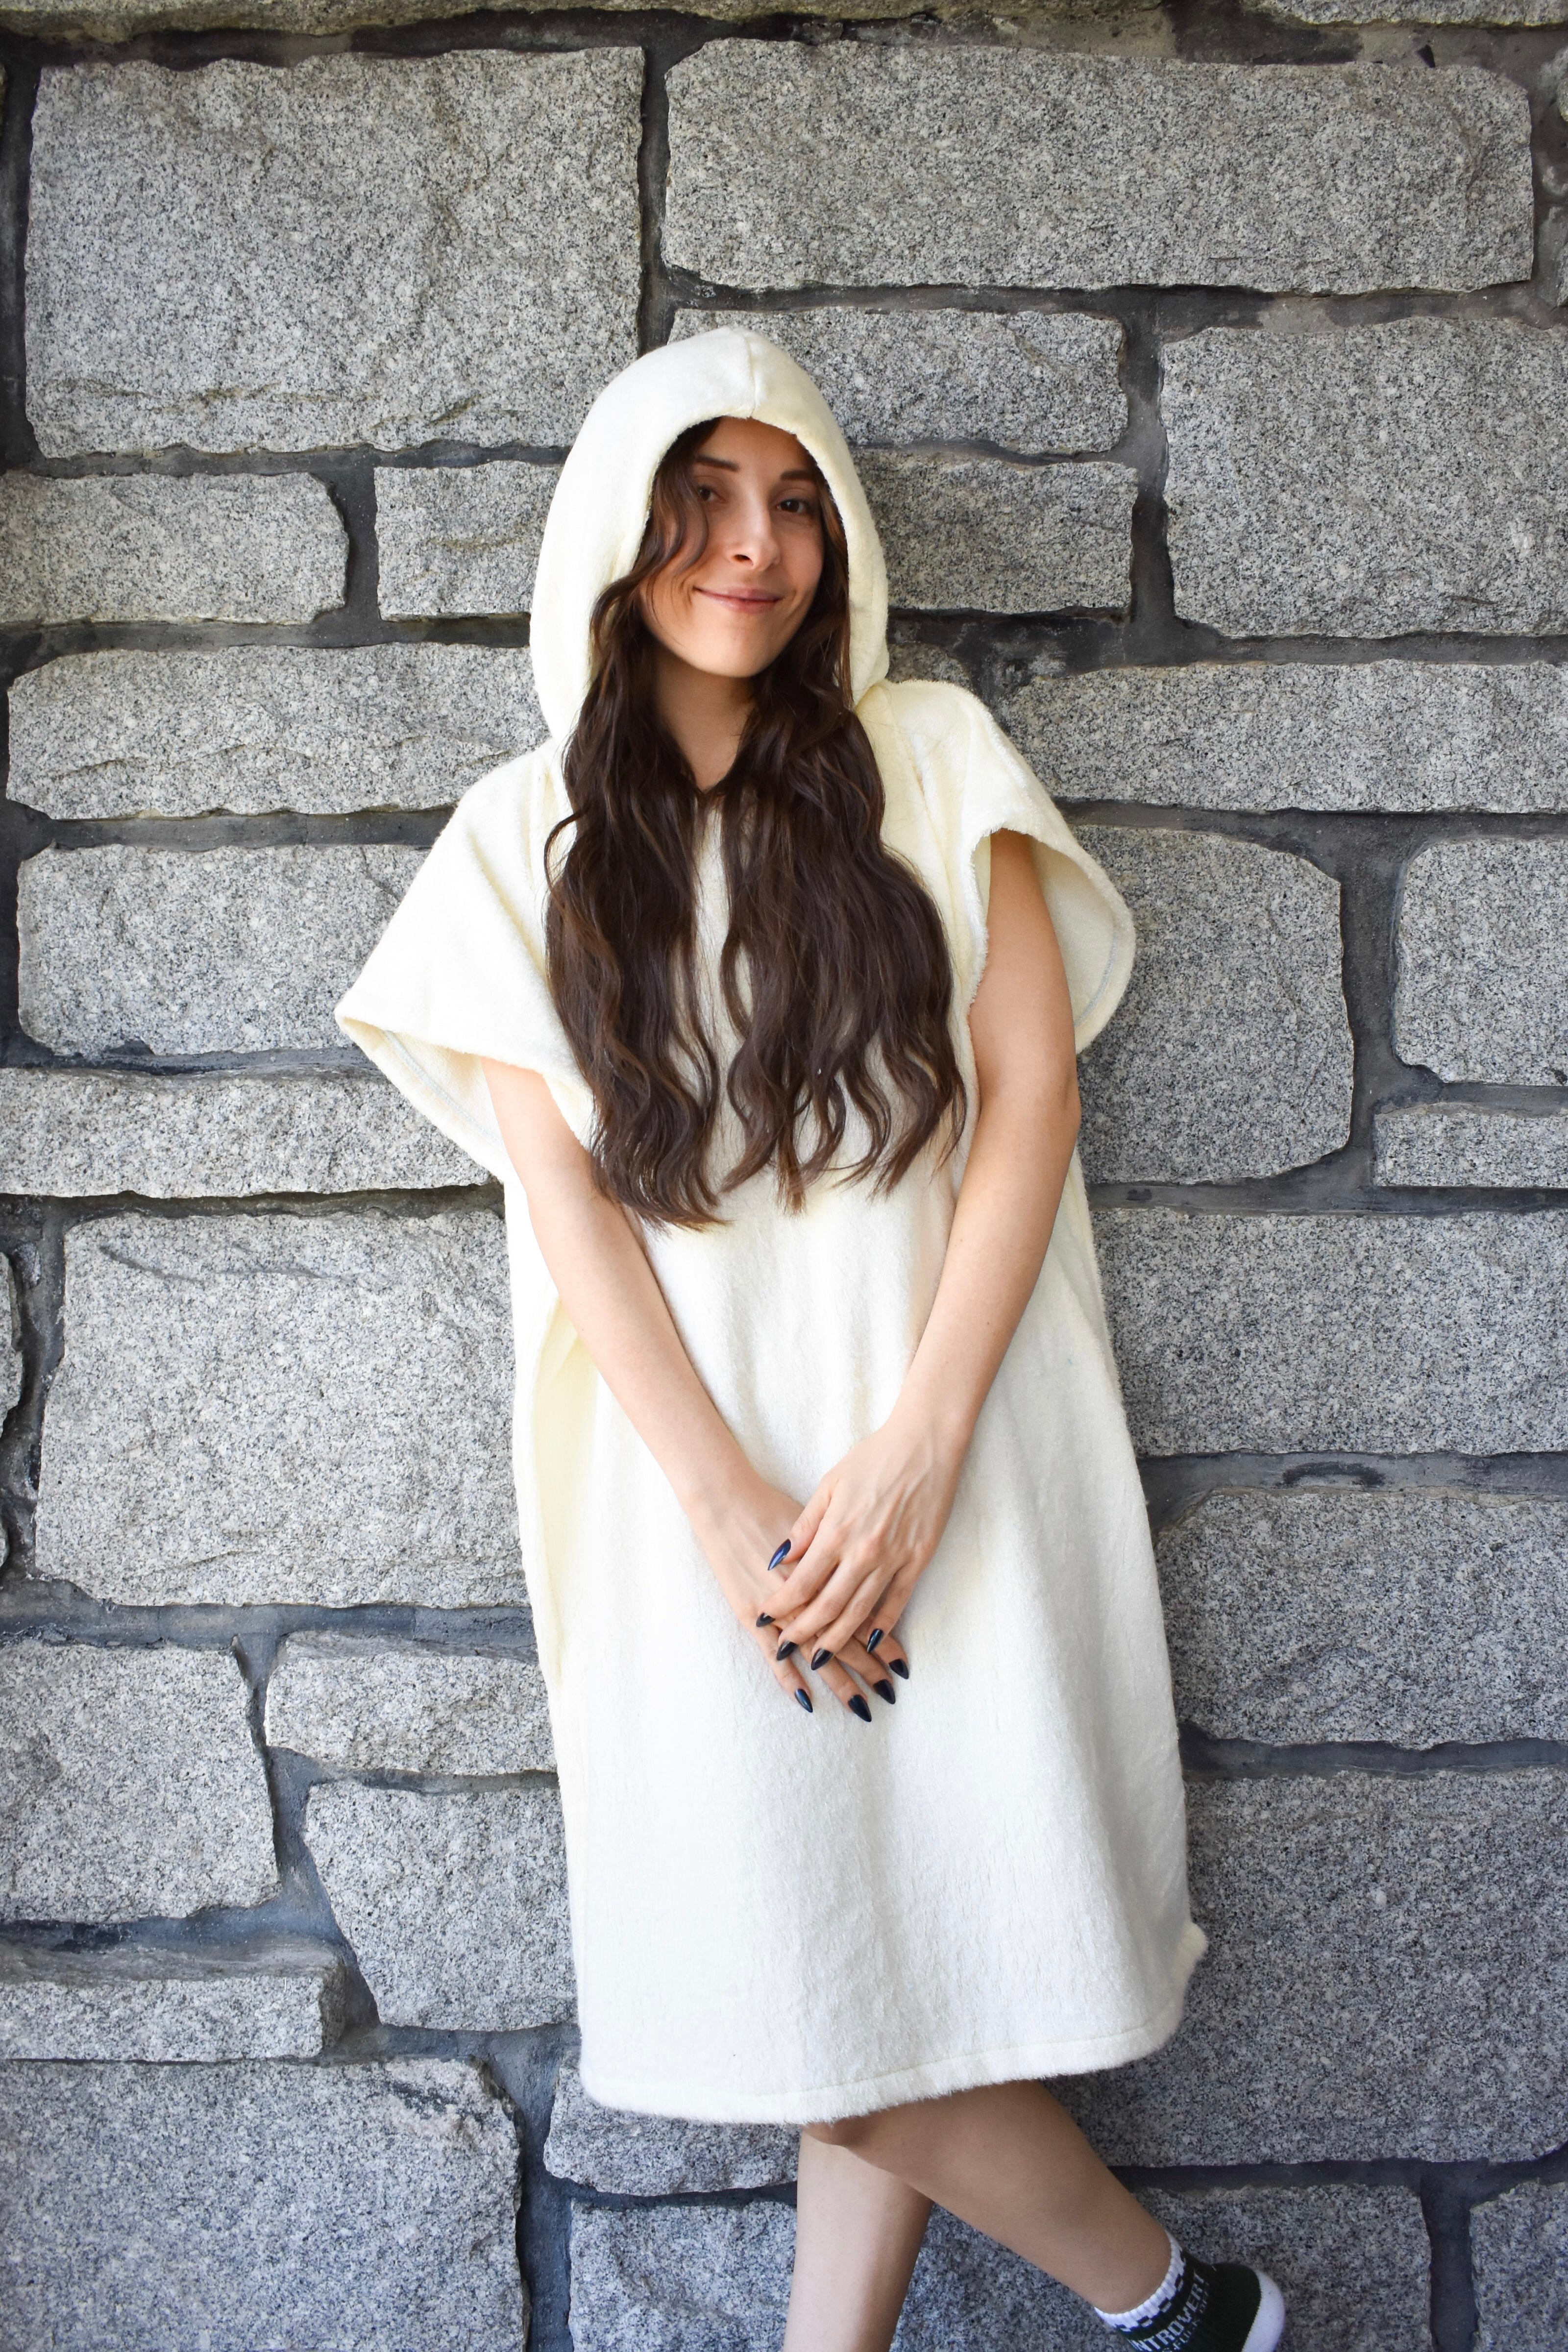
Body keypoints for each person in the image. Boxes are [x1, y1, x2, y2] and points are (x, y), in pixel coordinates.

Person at [337, 329, 1285, 2352]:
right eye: (700, 499)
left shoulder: (927, 755)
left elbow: (1031, 1099)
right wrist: (726, 1514)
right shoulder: (512, 841)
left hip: (954, 1427)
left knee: (884, 1961)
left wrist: (919, 1450)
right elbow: (566, 1211)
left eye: (791, 503)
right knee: (793, 1959)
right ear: (617, 529)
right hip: (690, 1486)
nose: (752, 548)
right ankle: (1182, 2311)